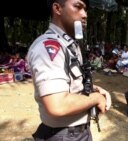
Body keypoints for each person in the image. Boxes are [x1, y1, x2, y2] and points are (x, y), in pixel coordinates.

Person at [27, 0, 112, 140]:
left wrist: (93, 88)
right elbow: (58, 104)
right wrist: (95, 98)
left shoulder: (70, 45)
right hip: (64, 135)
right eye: (78, 7)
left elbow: (71, 84)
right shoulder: (49, 47)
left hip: (77, 132)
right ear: (57, 8)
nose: (84, 14)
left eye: (85, 9)